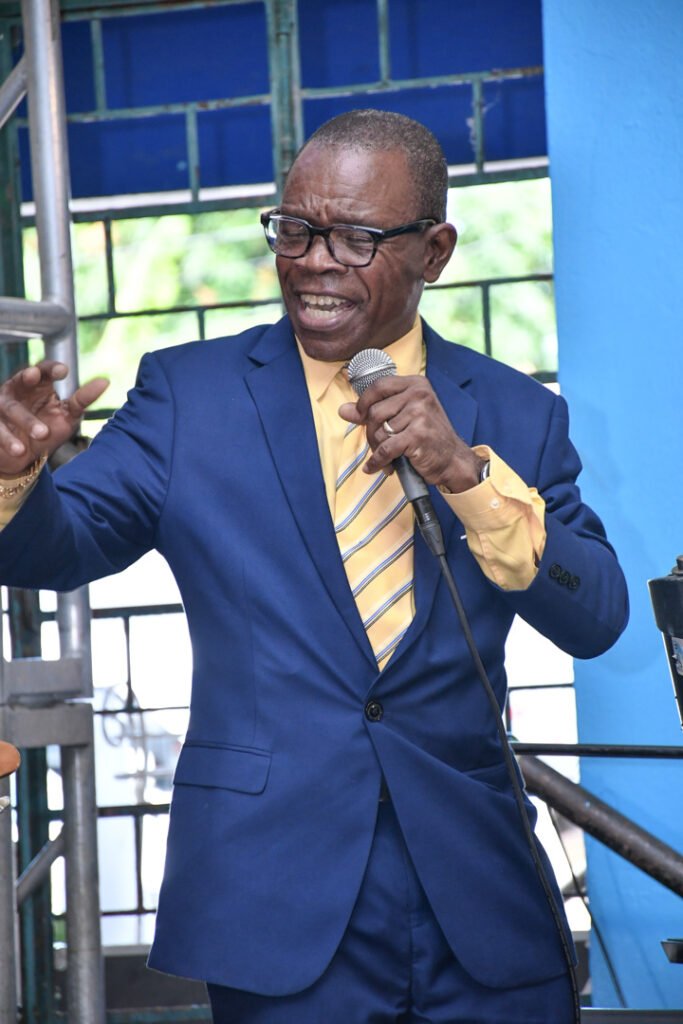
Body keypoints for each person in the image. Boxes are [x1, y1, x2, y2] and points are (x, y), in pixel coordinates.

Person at [0, 109, 628, 1023]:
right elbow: (65, 548)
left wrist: (466, 477)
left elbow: (597, 613)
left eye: (357, 238)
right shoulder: (188, 395)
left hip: (479, 898)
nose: (315, 260)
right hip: (272, 895)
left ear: (435, 251)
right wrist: (15, 479)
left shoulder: (512, 411)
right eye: (294, 230)